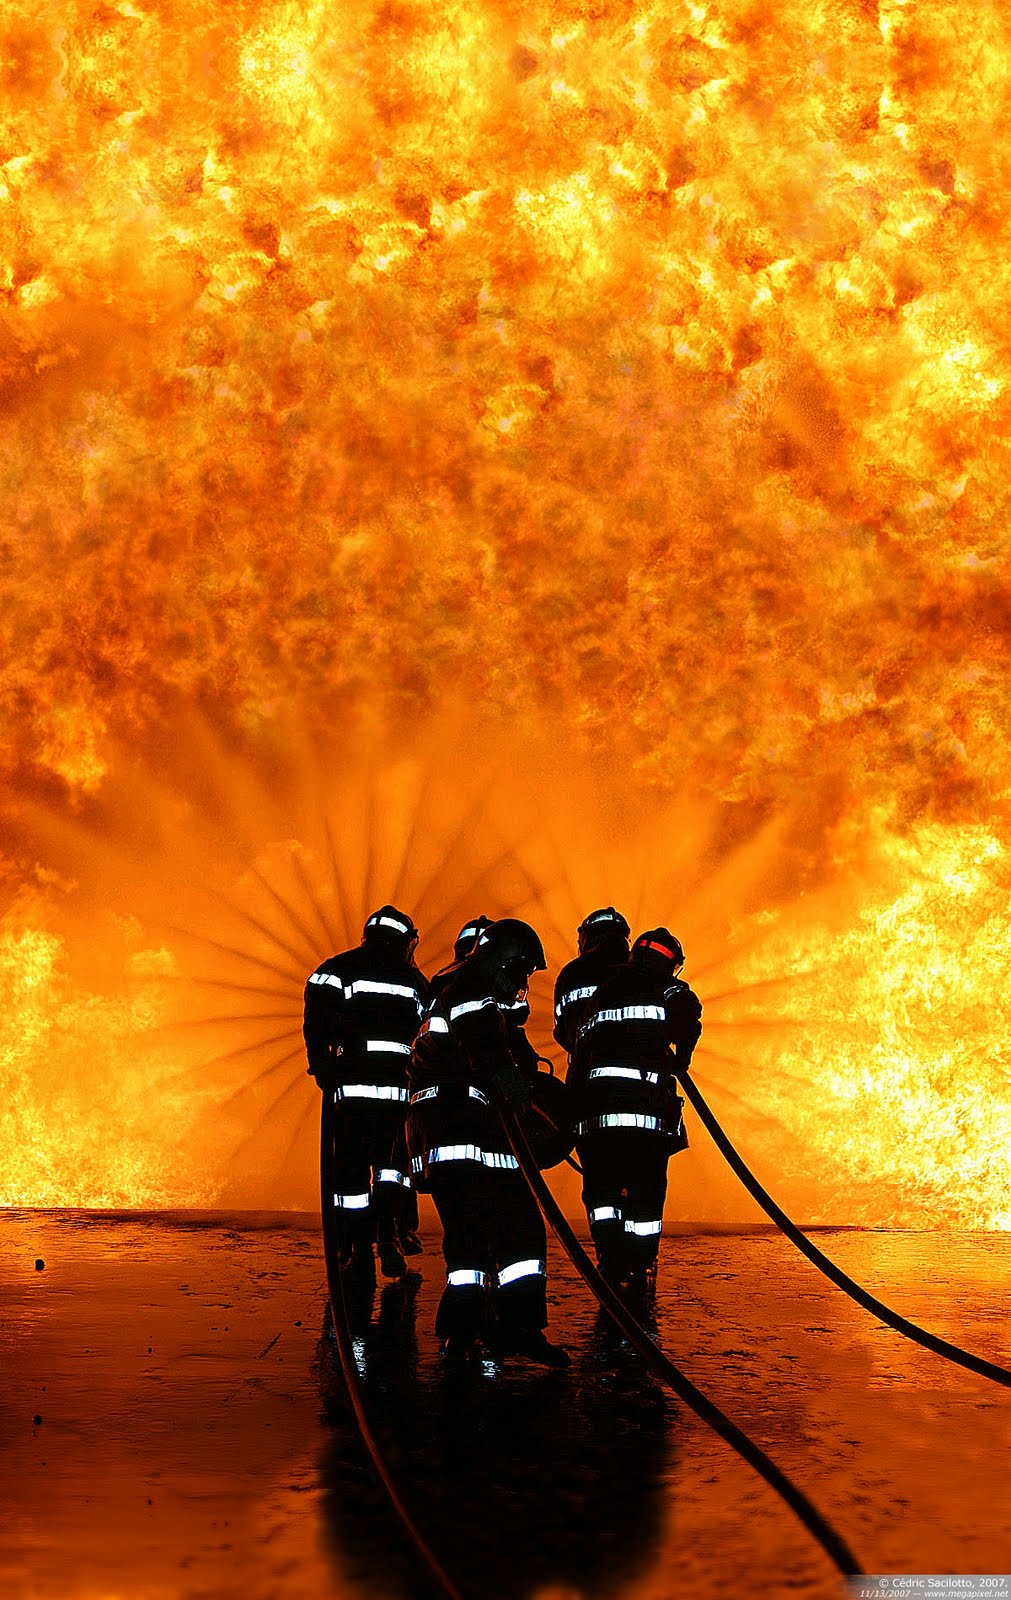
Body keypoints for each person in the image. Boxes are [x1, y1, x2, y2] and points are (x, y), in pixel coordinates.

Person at [407, 918, 569, 1367]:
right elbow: (484, 1049)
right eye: (524, 971)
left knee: (494, 1235)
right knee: (495, 1234)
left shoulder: (466, 990)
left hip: (463, 1131)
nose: (524, 982)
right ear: (506, 961)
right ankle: (490, 1331)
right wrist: (514, 1088)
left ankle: (489, 1332)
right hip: (459, 1127)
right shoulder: (471, 988)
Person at [568, 927, 702, 1295]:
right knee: (645, 1196)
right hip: (644, 1119)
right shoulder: (668, 988)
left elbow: (579, 1050)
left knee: (602, 1194)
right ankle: (640, 1264)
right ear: (669, 962)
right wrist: (681, 1059)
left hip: (596, 1120)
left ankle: (609, 1260)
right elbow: (689, 1018)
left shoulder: (601, 993)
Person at [304, 905, 430, 1283]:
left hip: (351, 1096)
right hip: (398, 1097)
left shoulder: (335, 970)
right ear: (404, 941)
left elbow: (316, 1023)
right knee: (393, 1171)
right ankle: (389, 1237)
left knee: (350, 1174)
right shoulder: (414, 980)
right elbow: (429, 1031)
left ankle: (354, 1245)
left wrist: (321, 1066)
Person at [553, 906, 632, 1057]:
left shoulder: (571, 973)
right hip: (641, 1063)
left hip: (587, 1065)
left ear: (585, 938)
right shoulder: (640, 970)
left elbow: (561, 1031)